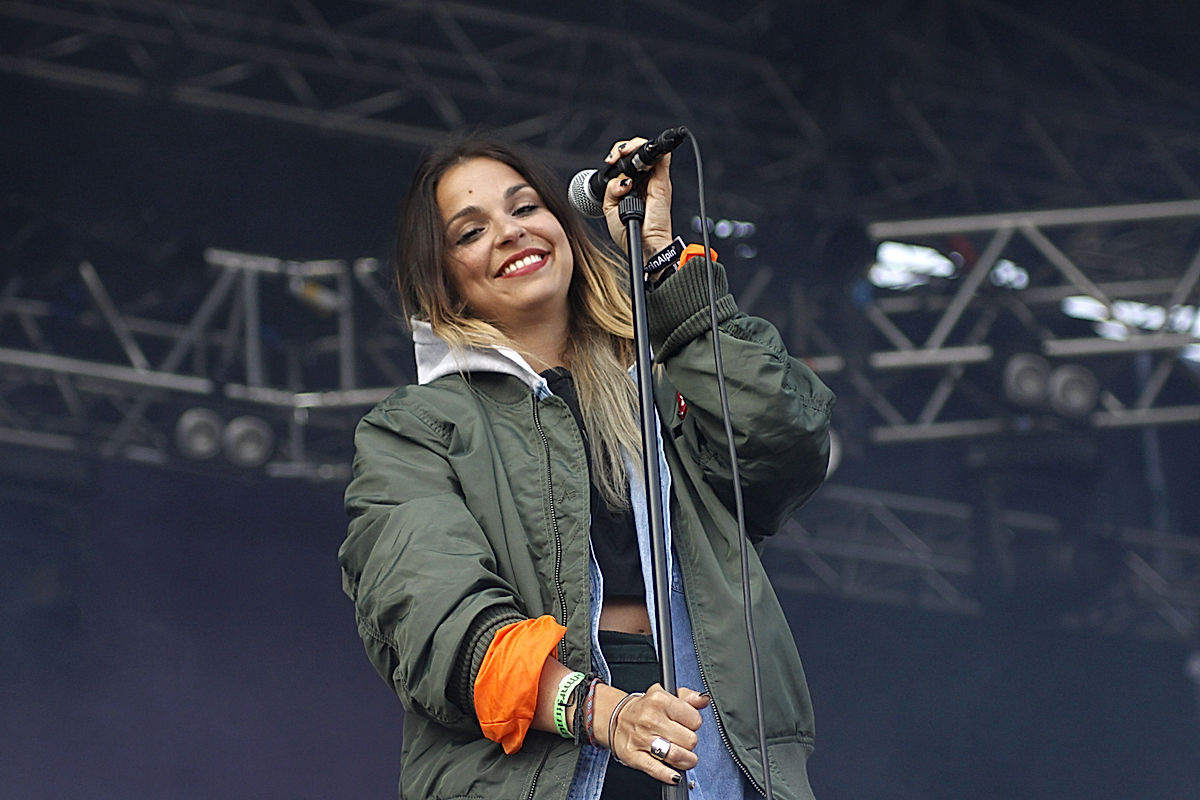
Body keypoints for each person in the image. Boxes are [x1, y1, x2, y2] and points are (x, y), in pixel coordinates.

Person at [339, 132, 835, 800]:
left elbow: (787, 443)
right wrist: (608, 711)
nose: (511, 233)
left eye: (525, 208)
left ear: (562, 223)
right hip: (545, 760)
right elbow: (437, 623)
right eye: (470, 231)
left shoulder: (663, 383)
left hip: (713, 744)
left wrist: (661, 259)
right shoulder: (416, 429)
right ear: (441, 281)